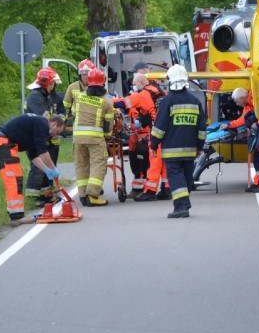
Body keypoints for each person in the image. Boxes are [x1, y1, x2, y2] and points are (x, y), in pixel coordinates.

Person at [150, 65, 206, 218]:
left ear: (170, 81)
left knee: (175, 177)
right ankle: (184, 203)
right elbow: (202, 128)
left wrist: (153, 143)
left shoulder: (167, 101)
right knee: (187, 177)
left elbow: (159, 126)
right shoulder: (195, 101)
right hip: (190, 149)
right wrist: (199, 147)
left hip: (171, 150)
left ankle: (181, 207)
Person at [0, 114, 65, 226]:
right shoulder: (42, 124)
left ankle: (16, 214)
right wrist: (53, 168)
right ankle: (17, 217)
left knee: (15, 179)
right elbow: (42, 152)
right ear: (54, 124)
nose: (55, 135)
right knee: (14, 180)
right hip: (3, 143)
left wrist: (46, 170)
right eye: (57, 132)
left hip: (4, 143)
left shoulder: (37, 126)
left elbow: (34, 155)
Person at [113, 73, 169, 201]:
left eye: (135, 83)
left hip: (155, 132)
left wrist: (107, 101)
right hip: (168, 131)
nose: (134, 86)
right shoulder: (163, 93)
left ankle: (150, 190)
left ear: (141, 83)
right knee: (165, 161)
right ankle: (167, 189)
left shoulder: (143, 95)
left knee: (154, 161)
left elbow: (123, 103)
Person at [219, 88, 259, 193]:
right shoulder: (248, 106)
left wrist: (257, 124)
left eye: (237, 101)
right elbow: (243, 119)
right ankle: (258, 182)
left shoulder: (257, 99)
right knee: (258, 158)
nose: (236, 104)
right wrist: (230, 125)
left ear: (242, 98)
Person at [73, 67, 115, 207]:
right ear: (103, 83)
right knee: (98, 165)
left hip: (78, 138)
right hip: (95, 139)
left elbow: (75, 113)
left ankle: (83, 195)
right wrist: (108, 137)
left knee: (81, 165)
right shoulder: (106, 102)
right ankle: (92, 195)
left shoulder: (79, 97)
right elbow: (108, 125)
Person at [24, 67, 65, 195]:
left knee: (47, 168)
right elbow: (45, 116)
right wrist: (55, 125)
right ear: (46, 83)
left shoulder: (45, 95)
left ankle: (45, 195)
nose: (53, 86)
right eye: (51, 83)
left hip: (43, 135)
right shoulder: (35, 96)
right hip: (34, 136)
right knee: (38, 168)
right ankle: (33, 196)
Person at [64, 58, 95, 125]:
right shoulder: (72, 87)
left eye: (88, 74)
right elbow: (66, 106)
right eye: (83, 74)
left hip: (93, 119)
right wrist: (65, 121)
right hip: (77, 120)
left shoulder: (98, 87)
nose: (86, 77)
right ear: (79, 75)